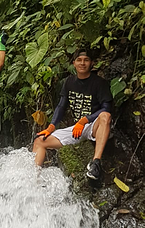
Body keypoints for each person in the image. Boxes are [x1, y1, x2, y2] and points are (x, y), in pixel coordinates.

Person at [33, 48, 112, 180]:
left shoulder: (99, 83)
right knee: (40, 141)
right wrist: (51, 126)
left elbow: (107, 108)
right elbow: (61, 105)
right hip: (77, 129)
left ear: (91, 63)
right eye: (79, 60)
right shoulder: (69, 82)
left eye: (86, 60)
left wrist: (85, 120)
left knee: (105, 116)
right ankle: (33, 180)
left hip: (94, 125)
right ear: (74, 63)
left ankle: (95, 163)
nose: (82, 63)